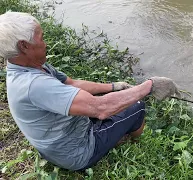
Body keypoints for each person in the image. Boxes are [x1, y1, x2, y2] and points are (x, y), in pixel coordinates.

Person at [1, 11, 180, 171]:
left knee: (115, 99)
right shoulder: (34, 84)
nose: (45, 43)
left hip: (55, 143)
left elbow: (72, 84)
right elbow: (101, 109)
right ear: (24, 46)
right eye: (41, 38)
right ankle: (133, 141)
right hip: (76, 152)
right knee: (138, 106)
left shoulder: (26, 65)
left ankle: (115, 132)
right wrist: (149, 86)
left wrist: (114, 86)